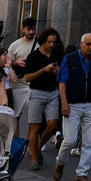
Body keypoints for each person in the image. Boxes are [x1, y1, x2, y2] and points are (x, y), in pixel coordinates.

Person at [55, 32, 91, 181]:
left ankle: (82, 173)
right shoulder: (69, 58)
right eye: (88, 44)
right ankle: (60, 162)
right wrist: (64, 103)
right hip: (72, 104)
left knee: (90, 142)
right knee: (70, 140)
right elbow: (62, 82)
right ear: (81, 44)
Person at [22, 28, 64, 170]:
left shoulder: (57, 54)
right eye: (49, 42)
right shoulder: (33, 57)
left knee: (53, 124)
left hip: (53, 91)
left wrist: (58, 72)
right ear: (42, 42)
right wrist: (43, 70)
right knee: (35, 126)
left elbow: (63, 73)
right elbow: (27, 78)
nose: (52, 45)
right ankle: (34, 159)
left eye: (54, 42)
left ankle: (37, 148)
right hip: (37, 92)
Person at [7, 17, 38, 123]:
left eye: (33, 29)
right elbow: (6, 64)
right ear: (23, 29)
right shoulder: (14, 45)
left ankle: (30, 140)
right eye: (28, 29)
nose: (31, 32)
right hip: (18, 85)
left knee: (34, 121)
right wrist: (16, 63)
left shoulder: (40, 44)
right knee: (15, 118)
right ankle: (15, 140)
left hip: (35, 86)